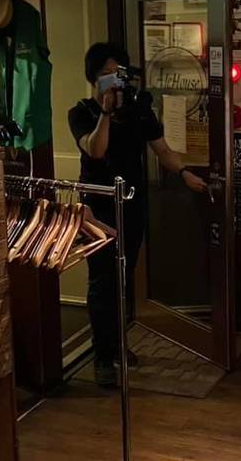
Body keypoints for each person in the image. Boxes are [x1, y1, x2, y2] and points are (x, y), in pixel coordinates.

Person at [68, 42, 206, 387]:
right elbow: (95, 150)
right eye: (104, 74)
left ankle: (117, 344)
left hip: (132, 202)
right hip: (98, 206)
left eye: (117, 73)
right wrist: (105, 113)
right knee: (102, 279)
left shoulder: (139, 110)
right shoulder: (82, 112)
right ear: (92, 78)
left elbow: (162, 150)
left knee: (124, 275)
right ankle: (102, 357)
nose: (112, 80)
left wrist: (184, 172)